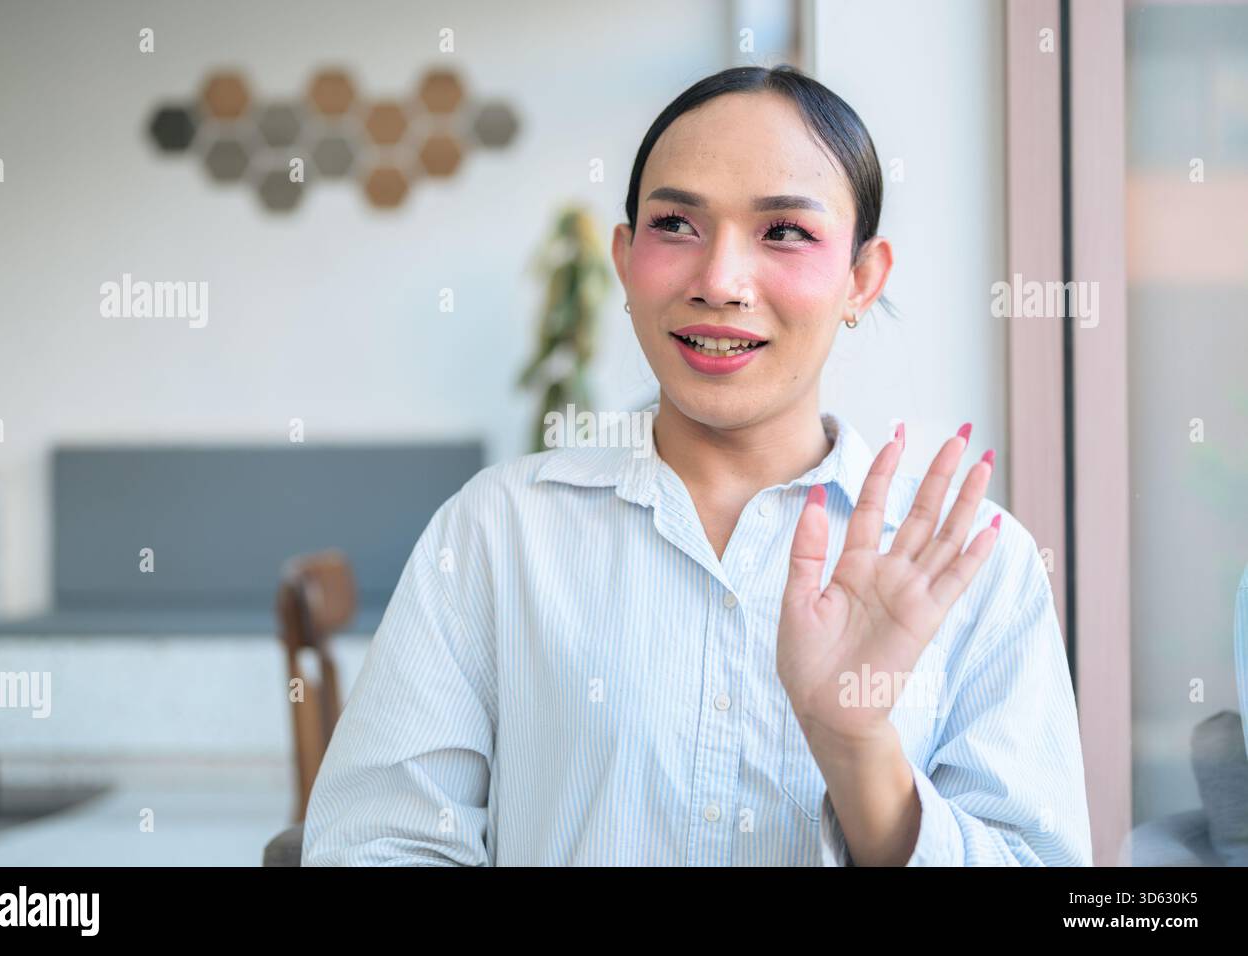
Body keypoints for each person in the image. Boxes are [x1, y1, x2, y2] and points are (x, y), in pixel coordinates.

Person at [301, 65, 1092, 866]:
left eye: (785, 231)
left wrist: (856, 749)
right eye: (676, 223)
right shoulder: (497, 533)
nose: (719, 281)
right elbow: (374, 846)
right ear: (623, 256)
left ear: (862, 278)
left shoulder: (976, 569)